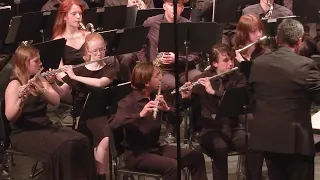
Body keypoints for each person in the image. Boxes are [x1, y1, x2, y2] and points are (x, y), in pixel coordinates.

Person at [4, 45, 96, 180]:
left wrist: (43, 90)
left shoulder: (39, 78)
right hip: (24, 132)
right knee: (66, 147)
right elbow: (9, 116)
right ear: (24, 63)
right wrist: (20, 103)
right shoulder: (14, 84)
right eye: (36, 61)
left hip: (44, 126)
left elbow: (56, 101)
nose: (41, 63)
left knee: (82, 140)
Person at [109, 62, 208, 180]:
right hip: (136, 155)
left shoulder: (155, 97)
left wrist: (167, 109)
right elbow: (113, 125)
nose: (161, 78)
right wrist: (140, 115)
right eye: (156, 76)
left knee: (196, 156)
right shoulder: (127, 102)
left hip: (155, 149)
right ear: (146, 82)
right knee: (172, 166)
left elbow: (177, 121)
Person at [249, 18, 320, 180]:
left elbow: (252, 97)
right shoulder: (306, 65)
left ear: (276, 39)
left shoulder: (258, 64)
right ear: (299, 41)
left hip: (267, 139)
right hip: (296, 142)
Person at [49, 32, 117, 179]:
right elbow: (61, 93)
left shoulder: (110, 68)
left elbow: (100, 83)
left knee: (104, 140)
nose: (99, 53)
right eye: (95, 50)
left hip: (103, 114)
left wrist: (74, 77)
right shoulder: (79, 69)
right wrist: (52, 81)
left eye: (102, 49)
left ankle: (100, 176)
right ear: (88, 51)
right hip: (83, 116)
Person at [181, 43, 247, 180]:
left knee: (251, 142)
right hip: (210, 130)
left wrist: (213, 92)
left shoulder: (238, 77)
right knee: (220, 147)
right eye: (226, 60)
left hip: (233, 127)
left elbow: (236, 99)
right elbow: (184, 105)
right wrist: (185, 96)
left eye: (231, 59)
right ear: (214, 63)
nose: (230, 63)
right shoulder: (202, 79)